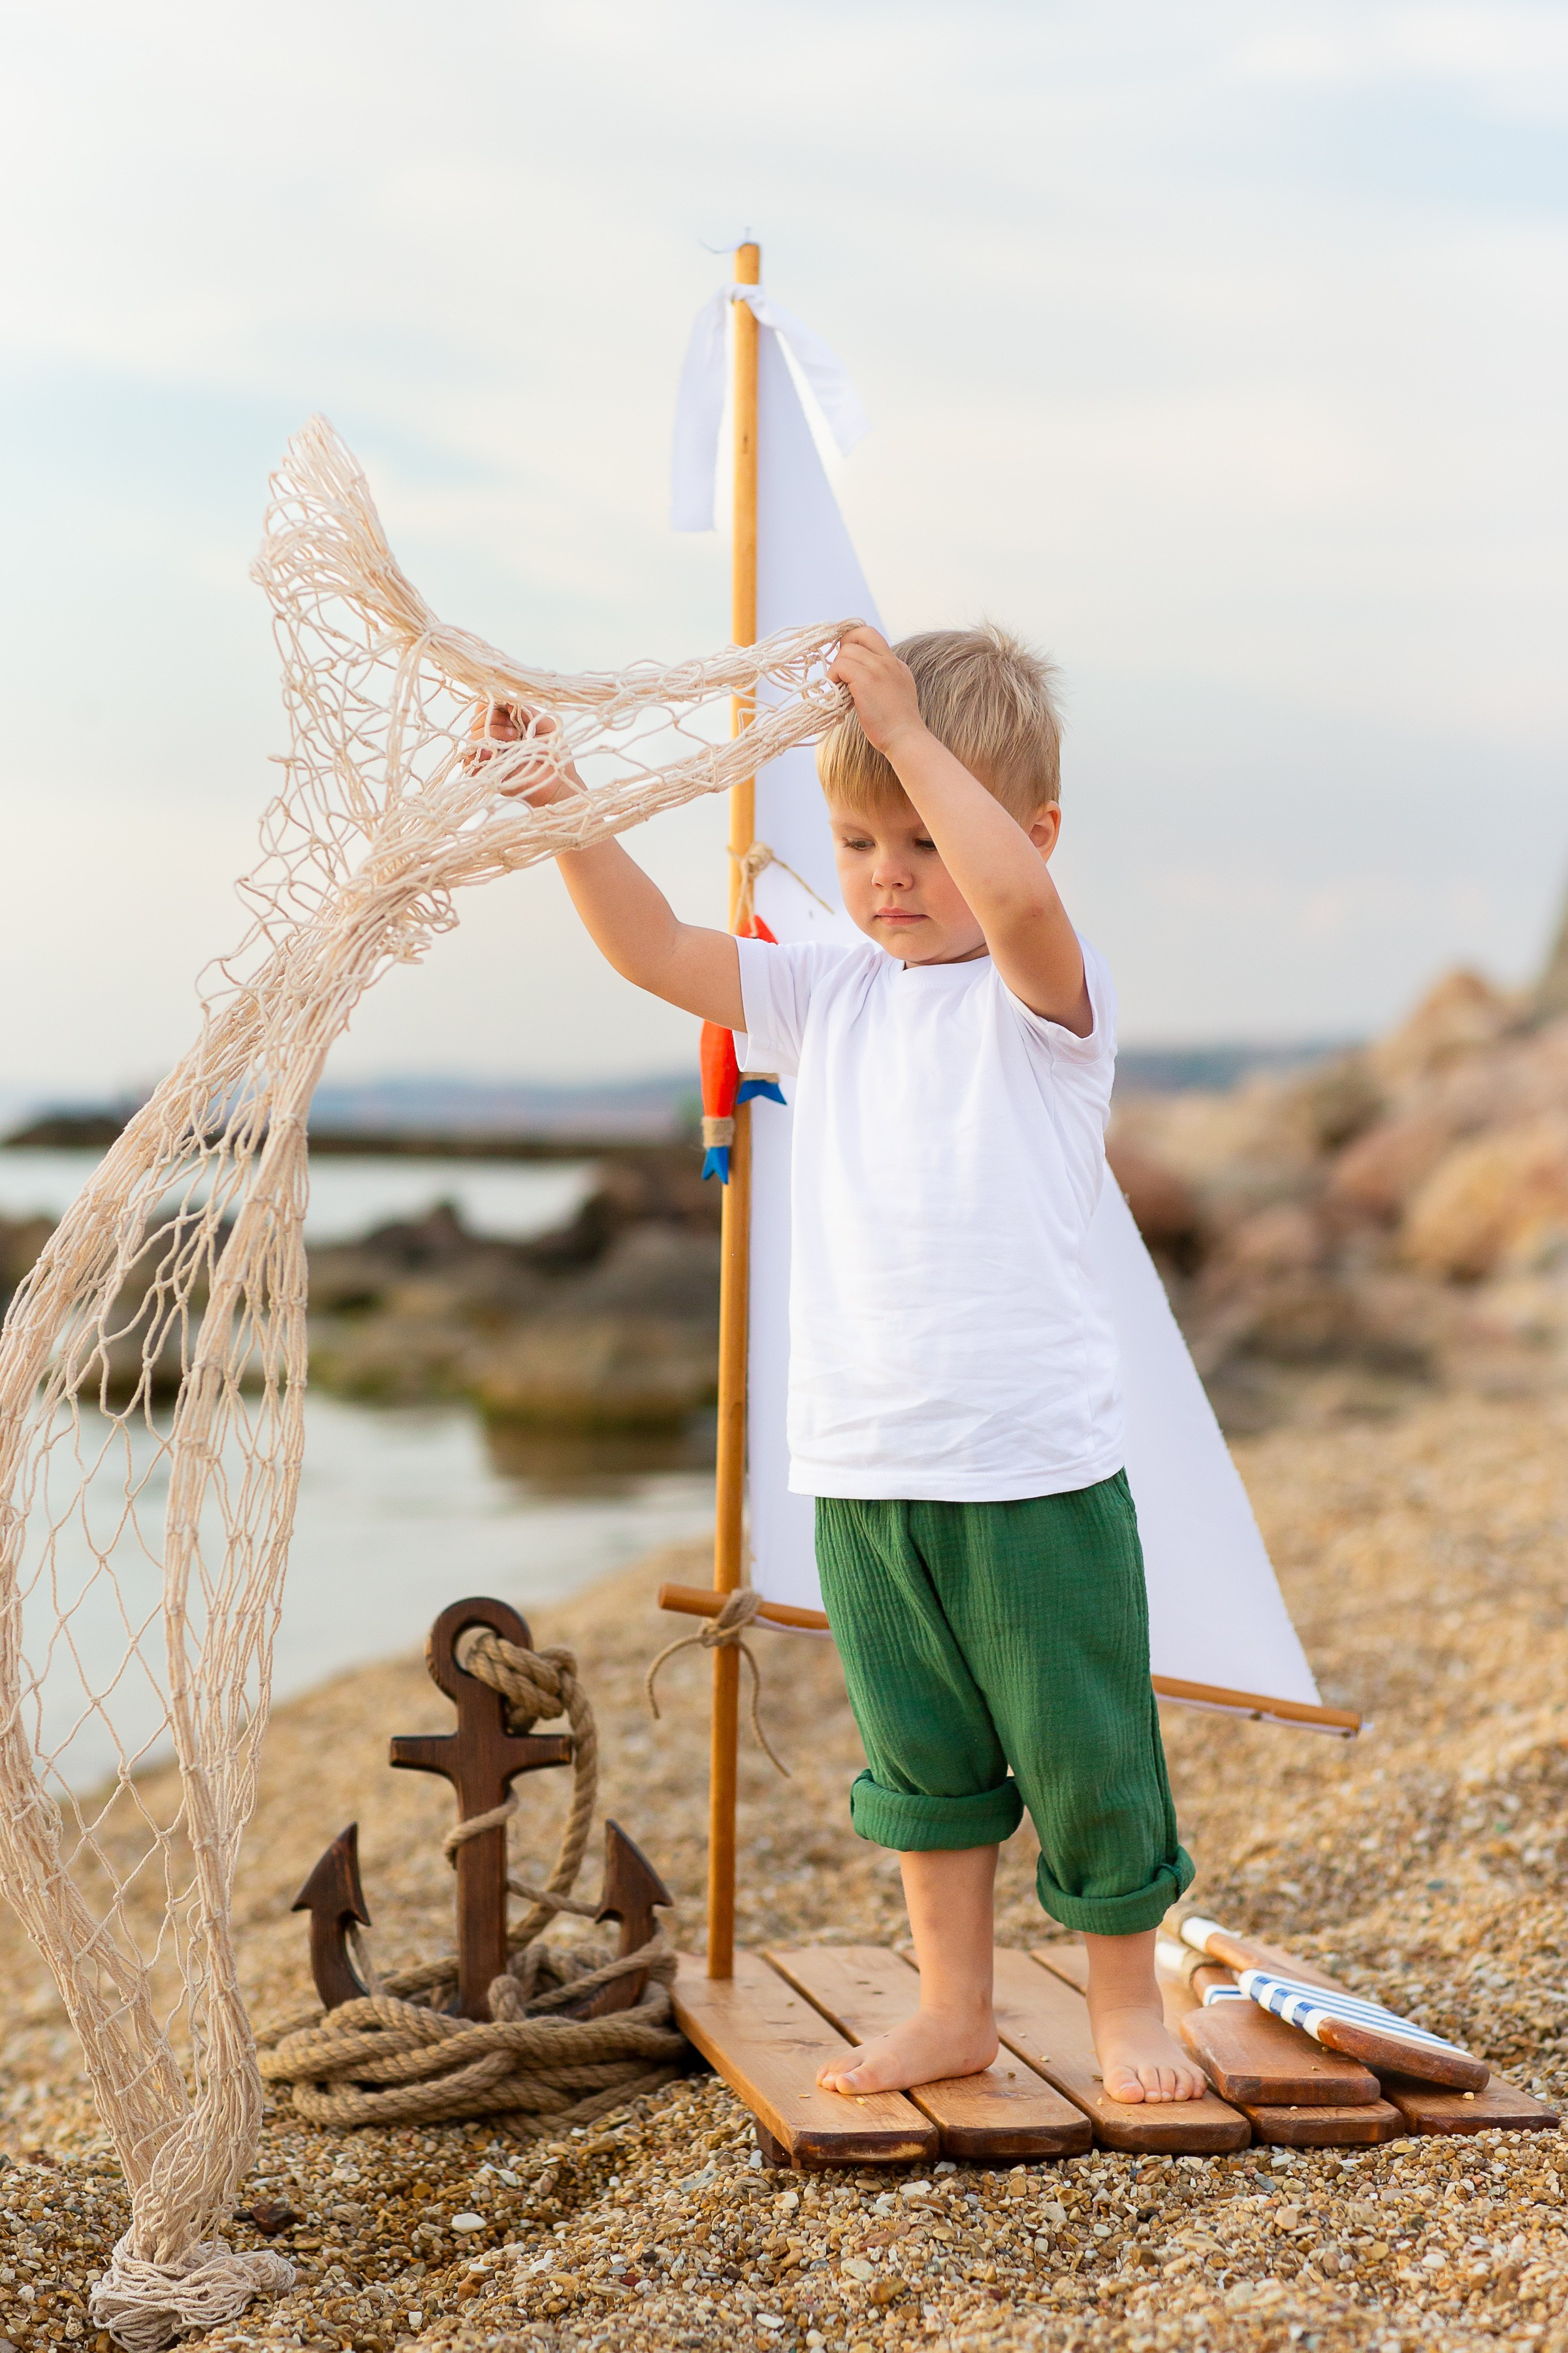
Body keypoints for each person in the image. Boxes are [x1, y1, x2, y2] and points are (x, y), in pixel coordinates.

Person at [471, 623, 1204, 2103]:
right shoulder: (826, 992)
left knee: (1085, 1753)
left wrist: (913, 735)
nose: (889, 870)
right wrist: (559, 804)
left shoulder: (1045, 999)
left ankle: (1128, 2006)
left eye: (925, 838)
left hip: (1030, 1464)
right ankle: (954, 2006)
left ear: (1024, 830)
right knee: (922, 1761)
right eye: (860, 837)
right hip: (868, 1461)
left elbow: (1016, 904)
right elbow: (654, 949)